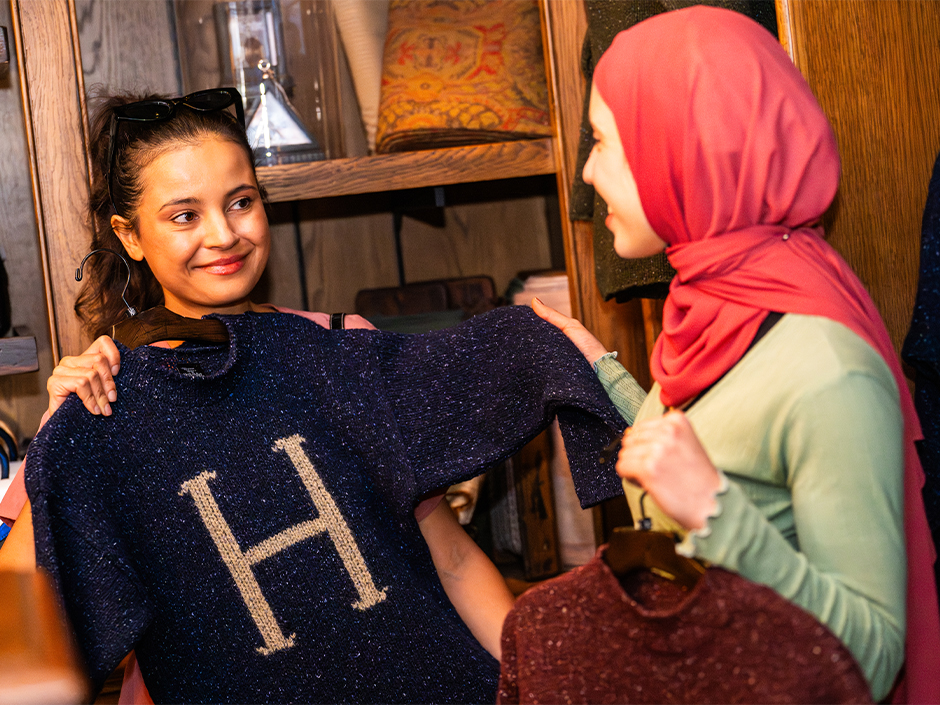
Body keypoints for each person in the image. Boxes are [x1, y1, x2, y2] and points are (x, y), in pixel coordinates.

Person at [0, 89, 621, 704]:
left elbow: (451, 560)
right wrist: (65, 432)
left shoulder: (344, 350)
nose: (223, 235)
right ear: (129, 235)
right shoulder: (103, 407)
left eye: (241, 202)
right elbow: (24, 617)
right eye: (184, 215)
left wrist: (538, 686)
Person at [530, 6, 940, 703]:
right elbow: (736, 440)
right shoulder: (716, 304)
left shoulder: (826, 366)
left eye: (601, 141)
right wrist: (607, 373)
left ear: (680, 147)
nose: (588, 173)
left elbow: (871, 658)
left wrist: (715, 512)